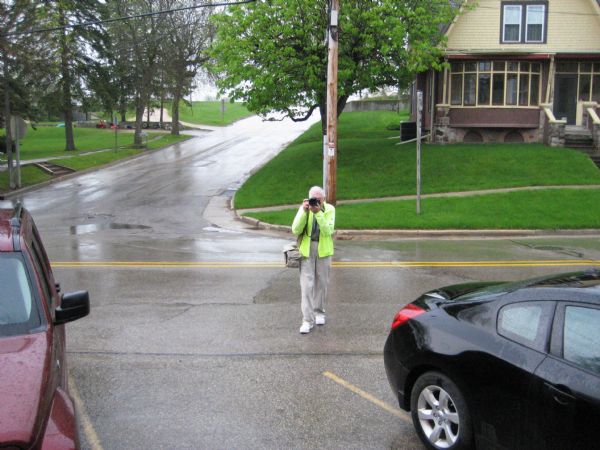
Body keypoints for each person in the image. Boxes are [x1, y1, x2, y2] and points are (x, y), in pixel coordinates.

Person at [291, 186, 335, 334]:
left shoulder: (329, 209)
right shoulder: (305, 208)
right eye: (314, 198)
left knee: (321, 283)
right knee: (306, 286)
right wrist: (304, 212)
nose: (316, 201)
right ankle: (307, 320)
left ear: (324, 199)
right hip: (307, 251)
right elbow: (295, 229)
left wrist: (318, 214)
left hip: (324, 251)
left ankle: (319, 312)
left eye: (319, 199)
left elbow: (328, 231)